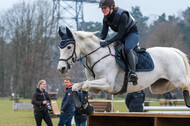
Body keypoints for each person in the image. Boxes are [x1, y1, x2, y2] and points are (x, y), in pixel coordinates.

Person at [99, 0, 139, 85]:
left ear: (111, 7)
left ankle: (133, 72)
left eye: (105, 8)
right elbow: (103, 34)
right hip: (122, 36)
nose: (103, 10)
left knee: (127, 48)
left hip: (132, 34)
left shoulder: (122, 15)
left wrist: (108, 42)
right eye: (102, 8)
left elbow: (119, 34)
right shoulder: (105, 18)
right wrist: (97, 42)